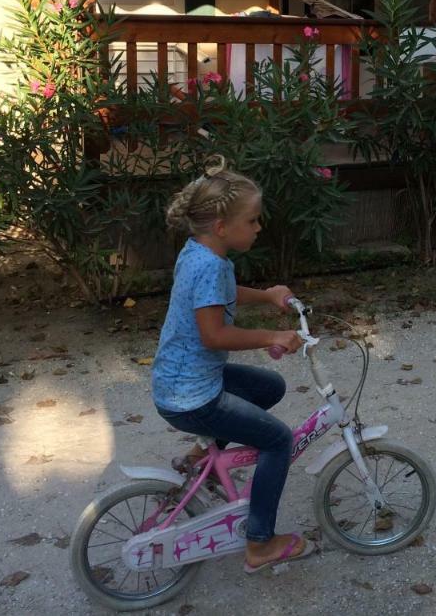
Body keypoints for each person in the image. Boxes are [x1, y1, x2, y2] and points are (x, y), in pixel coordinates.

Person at [151, 156, 310, 573]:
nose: (258, 228)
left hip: (183, 381)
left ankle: (206, 453)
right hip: (191, 396)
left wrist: (268, 294)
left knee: (268, 388)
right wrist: (271, 336)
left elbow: (220, 291)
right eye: (253, 221)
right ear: (223, 227)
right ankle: (259, 544)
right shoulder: (208, 264)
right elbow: (214, 335)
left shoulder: (201, 254)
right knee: (278, 440)